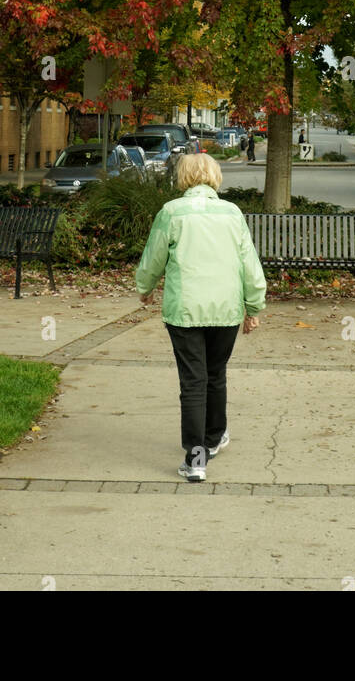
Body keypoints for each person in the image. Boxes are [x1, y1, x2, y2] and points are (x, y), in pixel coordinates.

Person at [135, 152, 266, 482]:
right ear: (215, 176)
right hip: (225, 309)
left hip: (186, 310)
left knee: (193, 381)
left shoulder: (172, 213)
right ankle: (214, 436)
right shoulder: (231, 213)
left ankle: (196, 460)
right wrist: (254, 307)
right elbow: (249, 265)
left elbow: (154, 257)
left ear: (183, 178)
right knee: (216, 373)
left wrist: (145, 287)